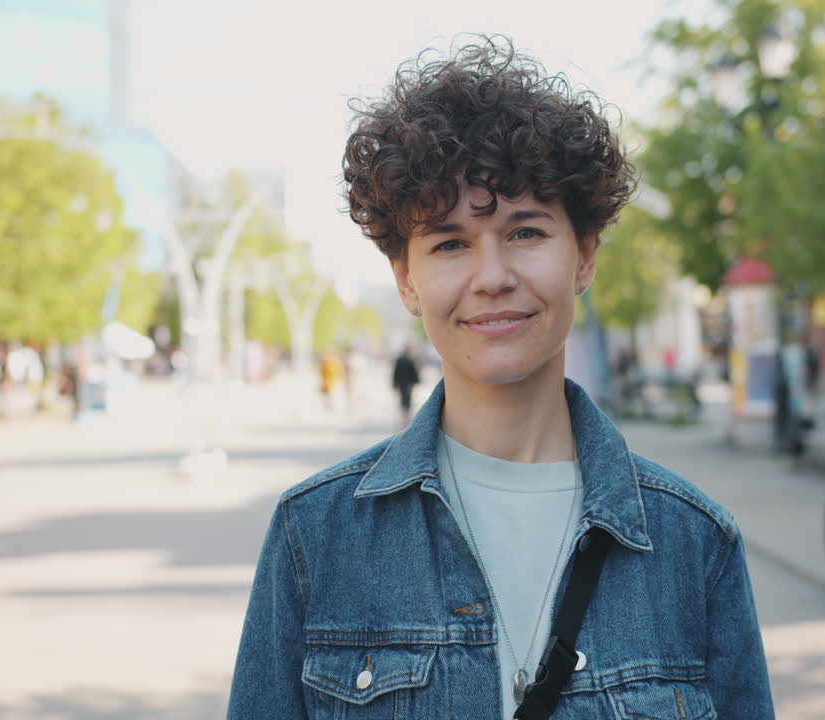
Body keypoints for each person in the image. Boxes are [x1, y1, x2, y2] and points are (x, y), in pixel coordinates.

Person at [227, 37, 772, 719]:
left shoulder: (695, 543)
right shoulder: (316, 535)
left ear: (584, 257)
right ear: (406, 280)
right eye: (450, 243)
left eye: (525, 233)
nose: (492, 278)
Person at [391, 343, 421, 427]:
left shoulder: (401, 360)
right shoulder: (409, 360)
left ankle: (404, 419)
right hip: (407, 385)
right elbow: (414, 373)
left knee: (404, 401)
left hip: (403, 384)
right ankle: (405, 419)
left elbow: (395, 373)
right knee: (406, 401)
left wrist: (394, 384)